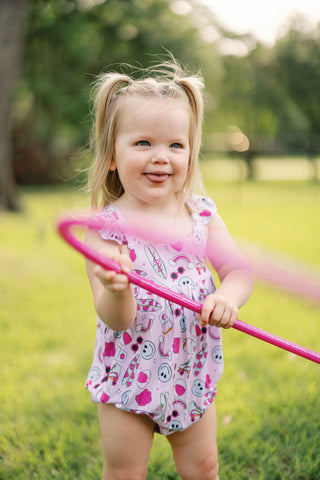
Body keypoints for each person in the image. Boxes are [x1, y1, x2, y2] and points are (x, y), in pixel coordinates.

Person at [84, 59, 254, 480]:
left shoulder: (202, 216)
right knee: (125, 471)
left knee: (204, 466)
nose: (161, 157)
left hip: (189, 371)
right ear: (111, 156)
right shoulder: (106, 231)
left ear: (191, 153)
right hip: (126, 375)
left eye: (175, 146)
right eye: (143, 143)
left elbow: (239, 271)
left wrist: (226, 298)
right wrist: (117, 287)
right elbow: (116, 320)